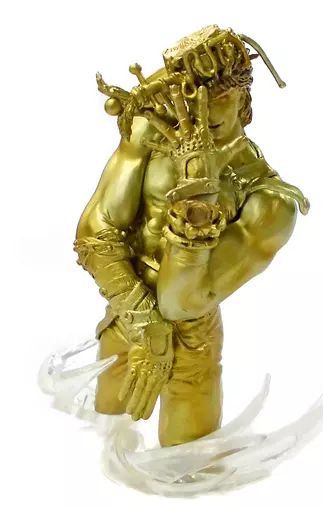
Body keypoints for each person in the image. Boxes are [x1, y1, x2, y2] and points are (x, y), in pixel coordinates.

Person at [74, 25, 309, 447]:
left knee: (187, 468)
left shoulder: (270, 203)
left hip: (190, 343)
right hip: (126, 311)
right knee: (99, 438)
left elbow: (182, 302)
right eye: (194, 95)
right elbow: (95, 230)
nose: (208, 108)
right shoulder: (149, 132)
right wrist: (145, 324)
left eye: (222, 96)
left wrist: (197, 201)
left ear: (244, 97)